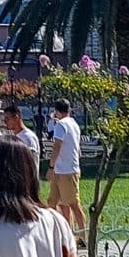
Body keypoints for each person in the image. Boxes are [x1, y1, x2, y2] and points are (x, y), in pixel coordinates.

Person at [47, 99, 85, 238]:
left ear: (57, 111)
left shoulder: (61, 125)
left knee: (73, 204)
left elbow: (57, 146)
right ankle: (65, 235)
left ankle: (83, 236)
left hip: (67, 171)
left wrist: (51, 166)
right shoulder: (74, 124)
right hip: (61, 170)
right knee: (54, 202)